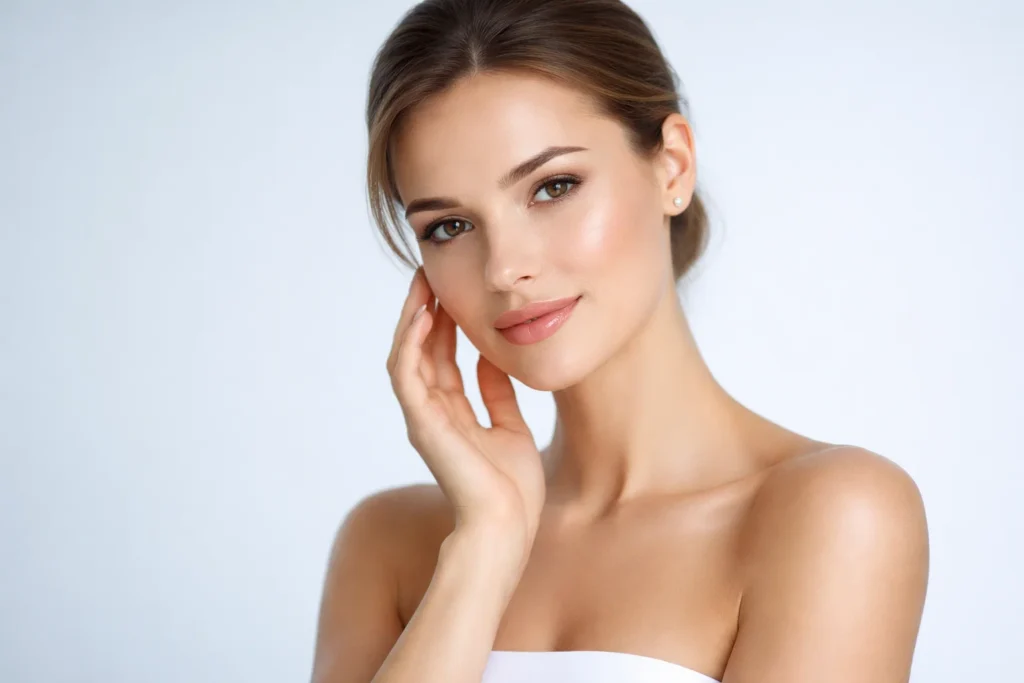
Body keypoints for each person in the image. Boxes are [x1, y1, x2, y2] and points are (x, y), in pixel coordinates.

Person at [310, 1, 930, 681]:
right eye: (449, 227)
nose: (503, 267)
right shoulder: (388, 545)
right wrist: (483, 547)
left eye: (553, 186)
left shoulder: (832, 516)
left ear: (672, 168)